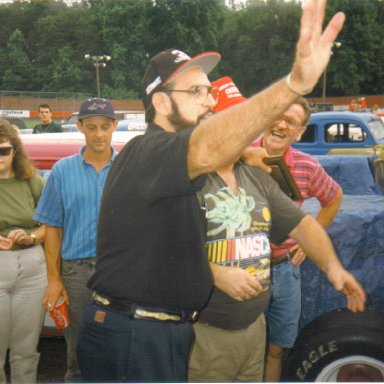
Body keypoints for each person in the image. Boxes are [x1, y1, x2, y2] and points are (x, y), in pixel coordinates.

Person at [77, 2, 365, 382]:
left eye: (209, 92)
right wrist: (294, 84)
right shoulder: (145, 152)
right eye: (196, 91)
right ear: (161, 103)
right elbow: (208, 146)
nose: (210, 101)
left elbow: (298, 223)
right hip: (132, 332)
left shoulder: (205, 166)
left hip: (167, 328)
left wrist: (333, 268)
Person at [247, 97, 343, 382]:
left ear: (300, 132)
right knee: (246, 349)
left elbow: (334, 197)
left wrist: (309, 238)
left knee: (276, 351)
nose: (280, 124)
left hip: (287, 270)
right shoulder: (238, 158)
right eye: (277, 116)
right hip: (246, 269)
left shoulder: (307, 167)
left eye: (291, 121)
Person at [33, 98, 118, 382]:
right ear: (80, 127)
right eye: (92, 127)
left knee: (118, 348)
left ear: (114, 126)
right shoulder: (61, 171)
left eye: (105, 127)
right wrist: (54, 279)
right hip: (75, 273)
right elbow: (53, 228)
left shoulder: (127, 168)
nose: (99, 134)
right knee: (79, 355)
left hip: (117, 271)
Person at [0, 119, 46, 384]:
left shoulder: (33, 183)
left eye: (3, 150)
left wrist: (29, 236)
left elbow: (50, 228)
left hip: (32, 270)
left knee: (26, 351)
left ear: (15, 150)